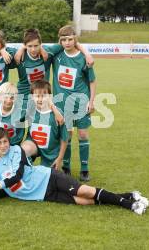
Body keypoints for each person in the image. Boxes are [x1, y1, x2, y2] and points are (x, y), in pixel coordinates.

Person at [0, 128, 149, 215]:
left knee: (85, 191)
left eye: (5, 141)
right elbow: (2, 191)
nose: (3, 146)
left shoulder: (16, 150)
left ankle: (129, 205)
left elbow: (17, 176)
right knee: (83, 201)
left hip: (48, 177)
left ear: (8, 141)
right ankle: (129, 195)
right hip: (41, 195)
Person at [52, 25, 97, 181]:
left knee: (83, 134)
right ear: (60, 41)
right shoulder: (56, 54)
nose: (67, 42)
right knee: (67, 134)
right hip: (63, 104)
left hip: (81, 101)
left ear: (75, 39)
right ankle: (66, 166)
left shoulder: (84, 59)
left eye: (70, 39)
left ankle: (85, 169)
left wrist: (91, 101)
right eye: (64, 40)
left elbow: (92, 81)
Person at [21, 80, 69, 169]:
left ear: (50, 97)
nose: (40, 99)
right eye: (37, 96)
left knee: (48, 178)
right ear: (32, 97)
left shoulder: (58, 115)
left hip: (51, 152)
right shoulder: (30, 109)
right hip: (33, 145)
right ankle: (29, 171)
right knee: (23, 151)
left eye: (43, 96)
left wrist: (60, 158)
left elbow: (64, 139)